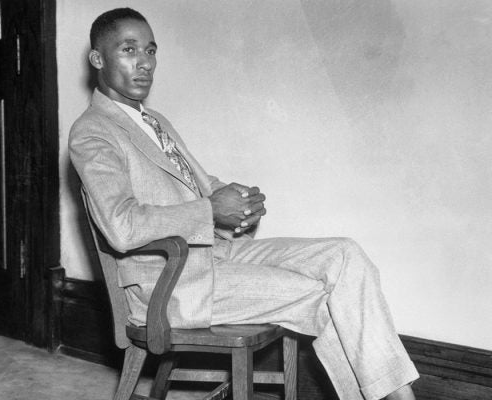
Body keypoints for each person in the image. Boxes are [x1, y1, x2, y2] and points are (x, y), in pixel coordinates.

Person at [69, 7, 419, 400]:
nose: (144, 63)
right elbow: (121, 226)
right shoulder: (93, 132)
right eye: (129, 50)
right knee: (325, 295)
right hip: (169, 285)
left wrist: (240, 202)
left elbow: (201, 186)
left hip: (218, 255)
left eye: (150, 51)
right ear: (98, 59)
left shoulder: (155, 121)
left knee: (344, 255)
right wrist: (210, 211)